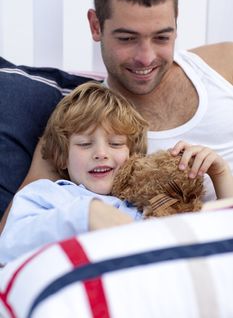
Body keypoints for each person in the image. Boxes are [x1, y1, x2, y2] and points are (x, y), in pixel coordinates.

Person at [1, 0, 233, 231]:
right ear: (96, 25)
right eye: (127, 38)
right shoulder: (82, 126)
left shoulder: (222, 64)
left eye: (161, 37)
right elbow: (12, 235)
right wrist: (85, 214)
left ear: (176, 23)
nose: (146, 58)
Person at [0, 81, 233, 265]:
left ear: (133, 155)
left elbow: (218, 238)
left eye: (115, 143)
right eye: (84, 144)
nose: (101, 153)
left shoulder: (151, 204)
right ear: (62, 156)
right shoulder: (46, 195)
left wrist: (220, 174)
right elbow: (8, 246)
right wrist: (87, 214)